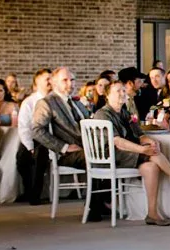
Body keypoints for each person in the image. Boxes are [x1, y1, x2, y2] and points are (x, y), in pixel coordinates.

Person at [92, 81, 170, 226]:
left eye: (124, 90)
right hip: (111, 156)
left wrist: (149, 141)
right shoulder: (103, 114)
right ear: (107, 95)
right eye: (118, 91)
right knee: (152, 154)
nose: (122, 94)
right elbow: (117, 142)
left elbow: (139, 135)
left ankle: (152, 213)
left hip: (127, 154)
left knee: (152, 167)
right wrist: (143, 149)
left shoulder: (125, 112)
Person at [31, 67, 110, 221]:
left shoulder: (77, 102)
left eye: (72, 80)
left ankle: (102, 201)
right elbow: (36, 130)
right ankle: (93, 207)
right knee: (96, 159)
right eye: (65, 80)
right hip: (66, 153)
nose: (70, 84)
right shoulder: (46, 103)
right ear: (54, 83)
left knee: (112, 155)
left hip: (87, 147)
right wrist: (64, 147)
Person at [16, 68, 53, 205]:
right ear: (37, 83)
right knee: (21, 159)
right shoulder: (29, 102)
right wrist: (29, 146)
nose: (50, 82)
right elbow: (24, 127)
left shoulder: (56, 99)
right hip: (34, 138)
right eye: (47, 79)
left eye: (51, 79)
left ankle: (35, 195)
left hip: (52, 139)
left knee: (39, 157)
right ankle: (28, 190)